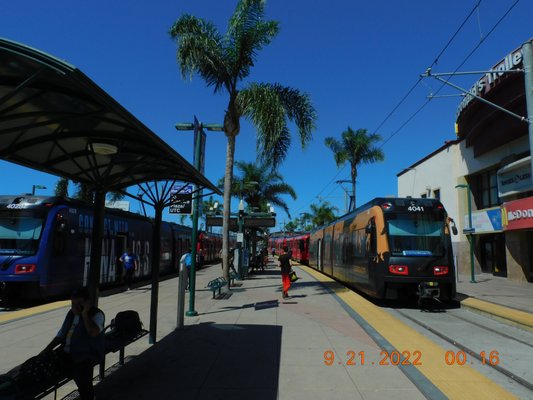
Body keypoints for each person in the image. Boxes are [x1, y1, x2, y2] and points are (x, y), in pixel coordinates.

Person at [42, 287, 105, 400]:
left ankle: (88, 397)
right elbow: (61, 335)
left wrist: (85, 314)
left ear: (87, 303)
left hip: (87, 354)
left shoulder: (97, 314)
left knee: (82, 373)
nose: (75, 307)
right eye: (73, 303)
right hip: (68, 352)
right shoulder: (71, 314)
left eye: (79, 303)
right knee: (46, 365)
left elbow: (93, 333)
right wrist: (45, 351)